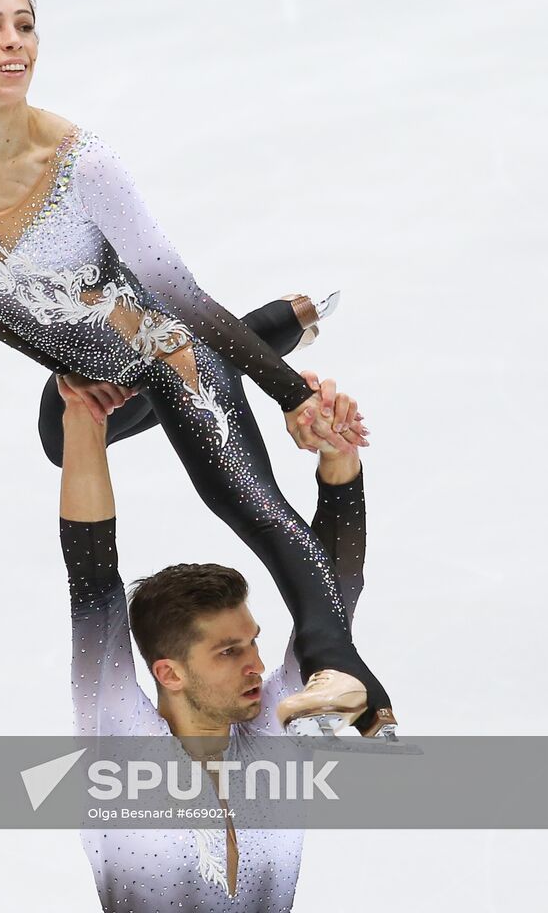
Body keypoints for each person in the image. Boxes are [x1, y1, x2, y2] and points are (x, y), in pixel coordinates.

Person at [0, 0, 395, 734]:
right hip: (88, 362)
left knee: (243, 500)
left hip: (162, 344)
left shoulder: (83, 162)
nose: (15, 42)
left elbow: (183, 300)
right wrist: (63, 370)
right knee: (61, 440)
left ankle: (346, 672)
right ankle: (271, 321)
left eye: (25, 25)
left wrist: (292, 394)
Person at [57, 355, 381, 909]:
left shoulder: (272, 734)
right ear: (169, 672)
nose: (255, 664)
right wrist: (82, 420)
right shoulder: (119, 740)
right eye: (229, 652)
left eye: (252, 641)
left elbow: (331, 603)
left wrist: (338, 459)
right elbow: (92, 582)